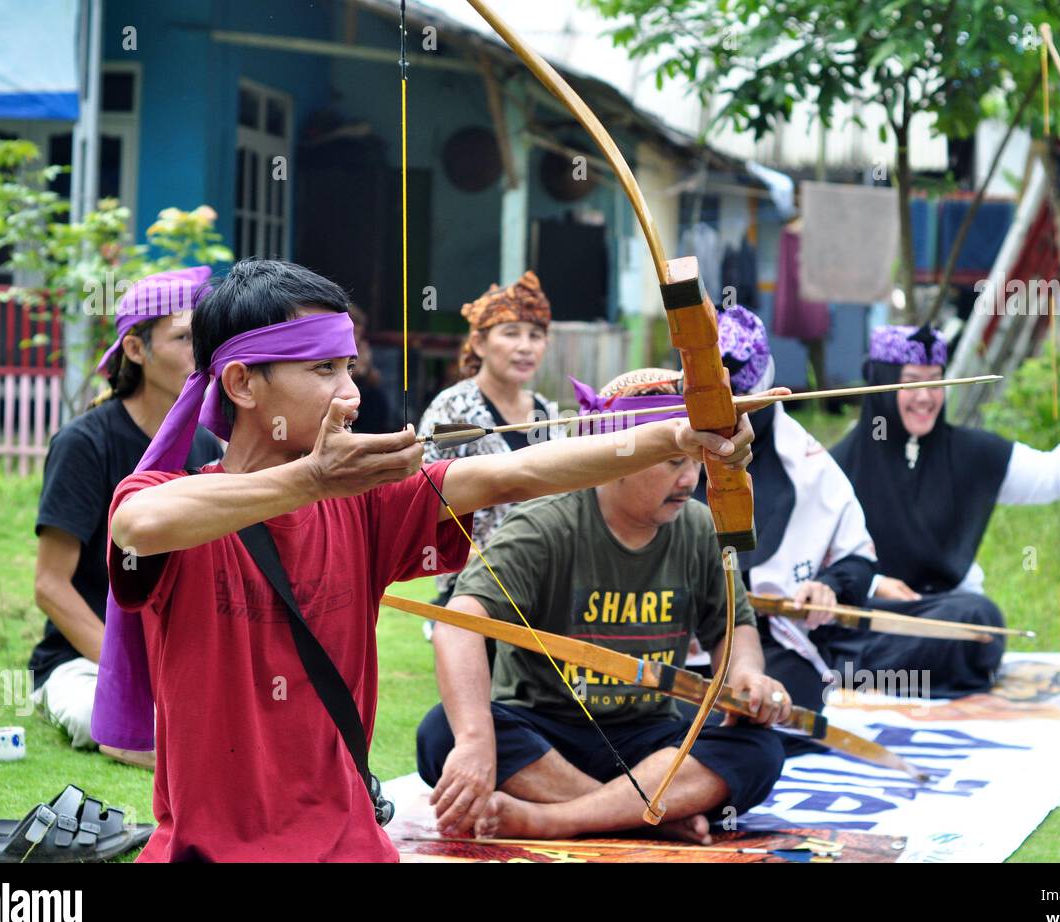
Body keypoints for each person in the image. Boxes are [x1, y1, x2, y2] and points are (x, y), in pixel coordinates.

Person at [95, 258, 767, 862]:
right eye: (323, 369)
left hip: (348, 847)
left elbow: (515, 473)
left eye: (349, 367)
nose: (351, 393)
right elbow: (135, 525)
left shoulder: (363, 503)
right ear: (242, 382)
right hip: (209, 852)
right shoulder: (172, 499)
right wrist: (310, 482)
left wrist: (676, 433)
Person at [416, 368, 790, 846]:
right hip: (546, 735)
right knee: (442, 733)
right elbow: (458, 624)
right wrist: (473, 740)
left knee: (757, 749)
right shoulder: (545, 524)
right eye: (672, 460)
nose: (689, 478)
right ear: (615, 459)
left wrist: (747, 678)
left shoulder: (699, 528)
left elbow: (732, 630)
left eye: (694, 461)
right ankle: (644, 816)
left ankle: (554, 821)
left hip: (649, 740)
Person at [828, 323, 1060, 695]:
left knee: (979, 621)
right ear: (879, 383)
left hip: (946, 615)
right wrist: (876, 584)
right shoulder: (837, 467)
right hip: (875, 616)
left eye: (935, 382)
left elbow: (1053, 476)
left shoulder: (969, 453)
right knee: (826, 628)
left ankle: (857, 672)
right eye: (911, 382)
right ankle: (869, 669)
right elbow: (816, 560)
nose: (925, 396)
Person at [30, 266, 221, 767]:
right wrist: (129, 673)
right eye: (184, 338)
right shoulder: (84, 443)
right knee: (147, 738)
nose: (202, 354)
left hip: (175, 658)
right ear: (136, 350)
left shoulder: (203, 444)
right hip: (83, 664)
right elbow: (50, 586)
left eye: (204, 338)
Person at [691, 307, 876, 718]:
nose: (733, 432)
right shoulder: (671, 454)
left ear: (769, 391)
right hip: (675, 639)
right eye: (720, 419)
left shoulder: (806, 462)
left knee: (784, 701)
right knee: (672, 708)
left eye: (744, 413)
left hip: (773, 639)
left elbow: (858, 559)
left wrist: (828, 585)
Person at [417, 271, 564, 604]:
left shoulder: (546, 410)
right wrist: (476, 558)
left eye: (536, 335)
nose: (525, 347)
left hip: (542, 579)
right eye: (511, 333)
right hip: (474, 582)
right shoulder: (455, 407)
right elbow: (422, 491)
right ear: (480, 343)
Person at [346, 303, 396, 435]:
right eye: (353, 333)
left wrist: (366, 371)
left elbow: (372, 377)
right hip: (343, 394)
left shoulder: (363, 348)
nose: (356, 338)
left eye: (359, 334)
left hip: (363, 395)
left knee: (377, 397)